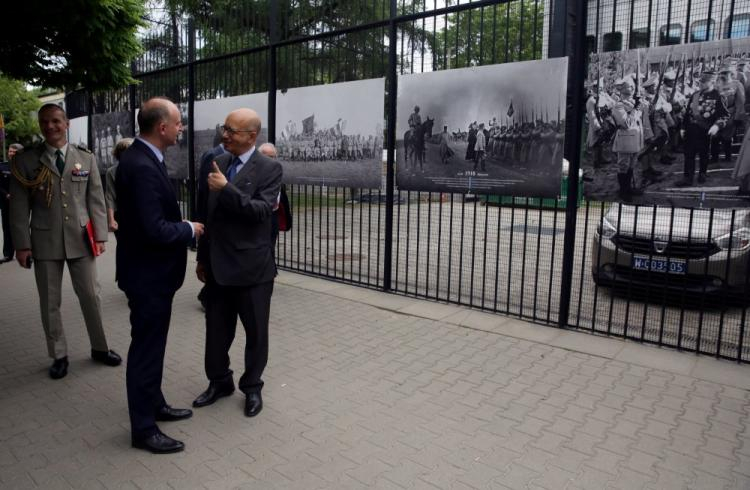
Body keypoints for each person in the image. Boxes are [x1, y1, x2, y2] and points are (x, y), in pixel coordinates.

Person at [115, 97, 204, 454]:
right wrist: (188, 229)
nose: (181, 128)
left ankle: (155, 404)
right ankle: (143, 428)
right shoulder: (140, 165)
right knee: (146, 351)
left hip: (151, 274)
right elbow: (154, 229)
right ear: (162, 127)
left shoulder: (144, 157)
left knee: (153, 347)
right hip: (148, 276)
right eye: (179, 123)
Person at [9, 104, 121, 380]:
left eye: (56, 121)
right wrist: (22, 245)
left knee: (91, 296)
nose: (50, 127)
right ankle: (58, 355)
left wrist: (101, 236)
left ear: (66, 123)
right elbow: (19, 208)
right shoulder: (26, 162)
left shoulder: (86, 157)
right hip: (44, 241)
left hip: (81, 239)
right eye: (45, 122)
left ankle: (100, 347)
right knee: (49, 301)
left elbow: (95, 198)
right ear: (40, 125)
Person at [192, 108, 282, 419]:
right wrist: (202, 257)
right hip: (218, 267)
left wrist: (227, 189)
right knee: (216, 331)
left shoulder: (270, 168)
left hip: (252, 270)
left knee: (256, 333)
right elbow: (207, 215)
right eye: (224, 128)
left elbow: (261, 211)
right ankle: (219, 382)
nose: (224, 135)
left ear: (251, 136)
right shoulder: (219, 162)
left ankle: (252, 387)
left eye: (232, 130)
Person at [677, 71, 729, 187]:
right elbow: (687, 113)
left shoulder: (718, 96)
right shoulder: (695, 95)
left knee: (704, 153)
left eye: (704, 81)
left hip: (705, 130)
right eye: (700, 81)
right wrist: (683, 127)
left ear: (713, 82)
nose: (701, 83)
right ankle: (687, 178)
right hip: (691, 129)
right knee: (688, 154)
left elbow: (724, 115)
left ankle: (702, 173)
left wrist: (717, 125)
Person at [105, 138, 134, 233]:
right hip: (121, 215)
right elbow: (110, 197)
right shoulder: (112, 172)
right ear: (118, 154)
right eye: (123, 151)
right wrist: (111, 219)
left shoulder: (141, 169)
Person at [0, 143, 23, 262]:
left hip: (22, 204)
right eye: (10, 151)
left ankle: (26, 252)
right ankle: (8, 254)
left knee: (22, 228)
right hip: (6, 202)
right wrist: (6, 195)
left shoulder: (26, 168)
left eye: (15, 152)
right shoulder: (2, 167)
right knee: (7, 228)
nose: (12, 154)